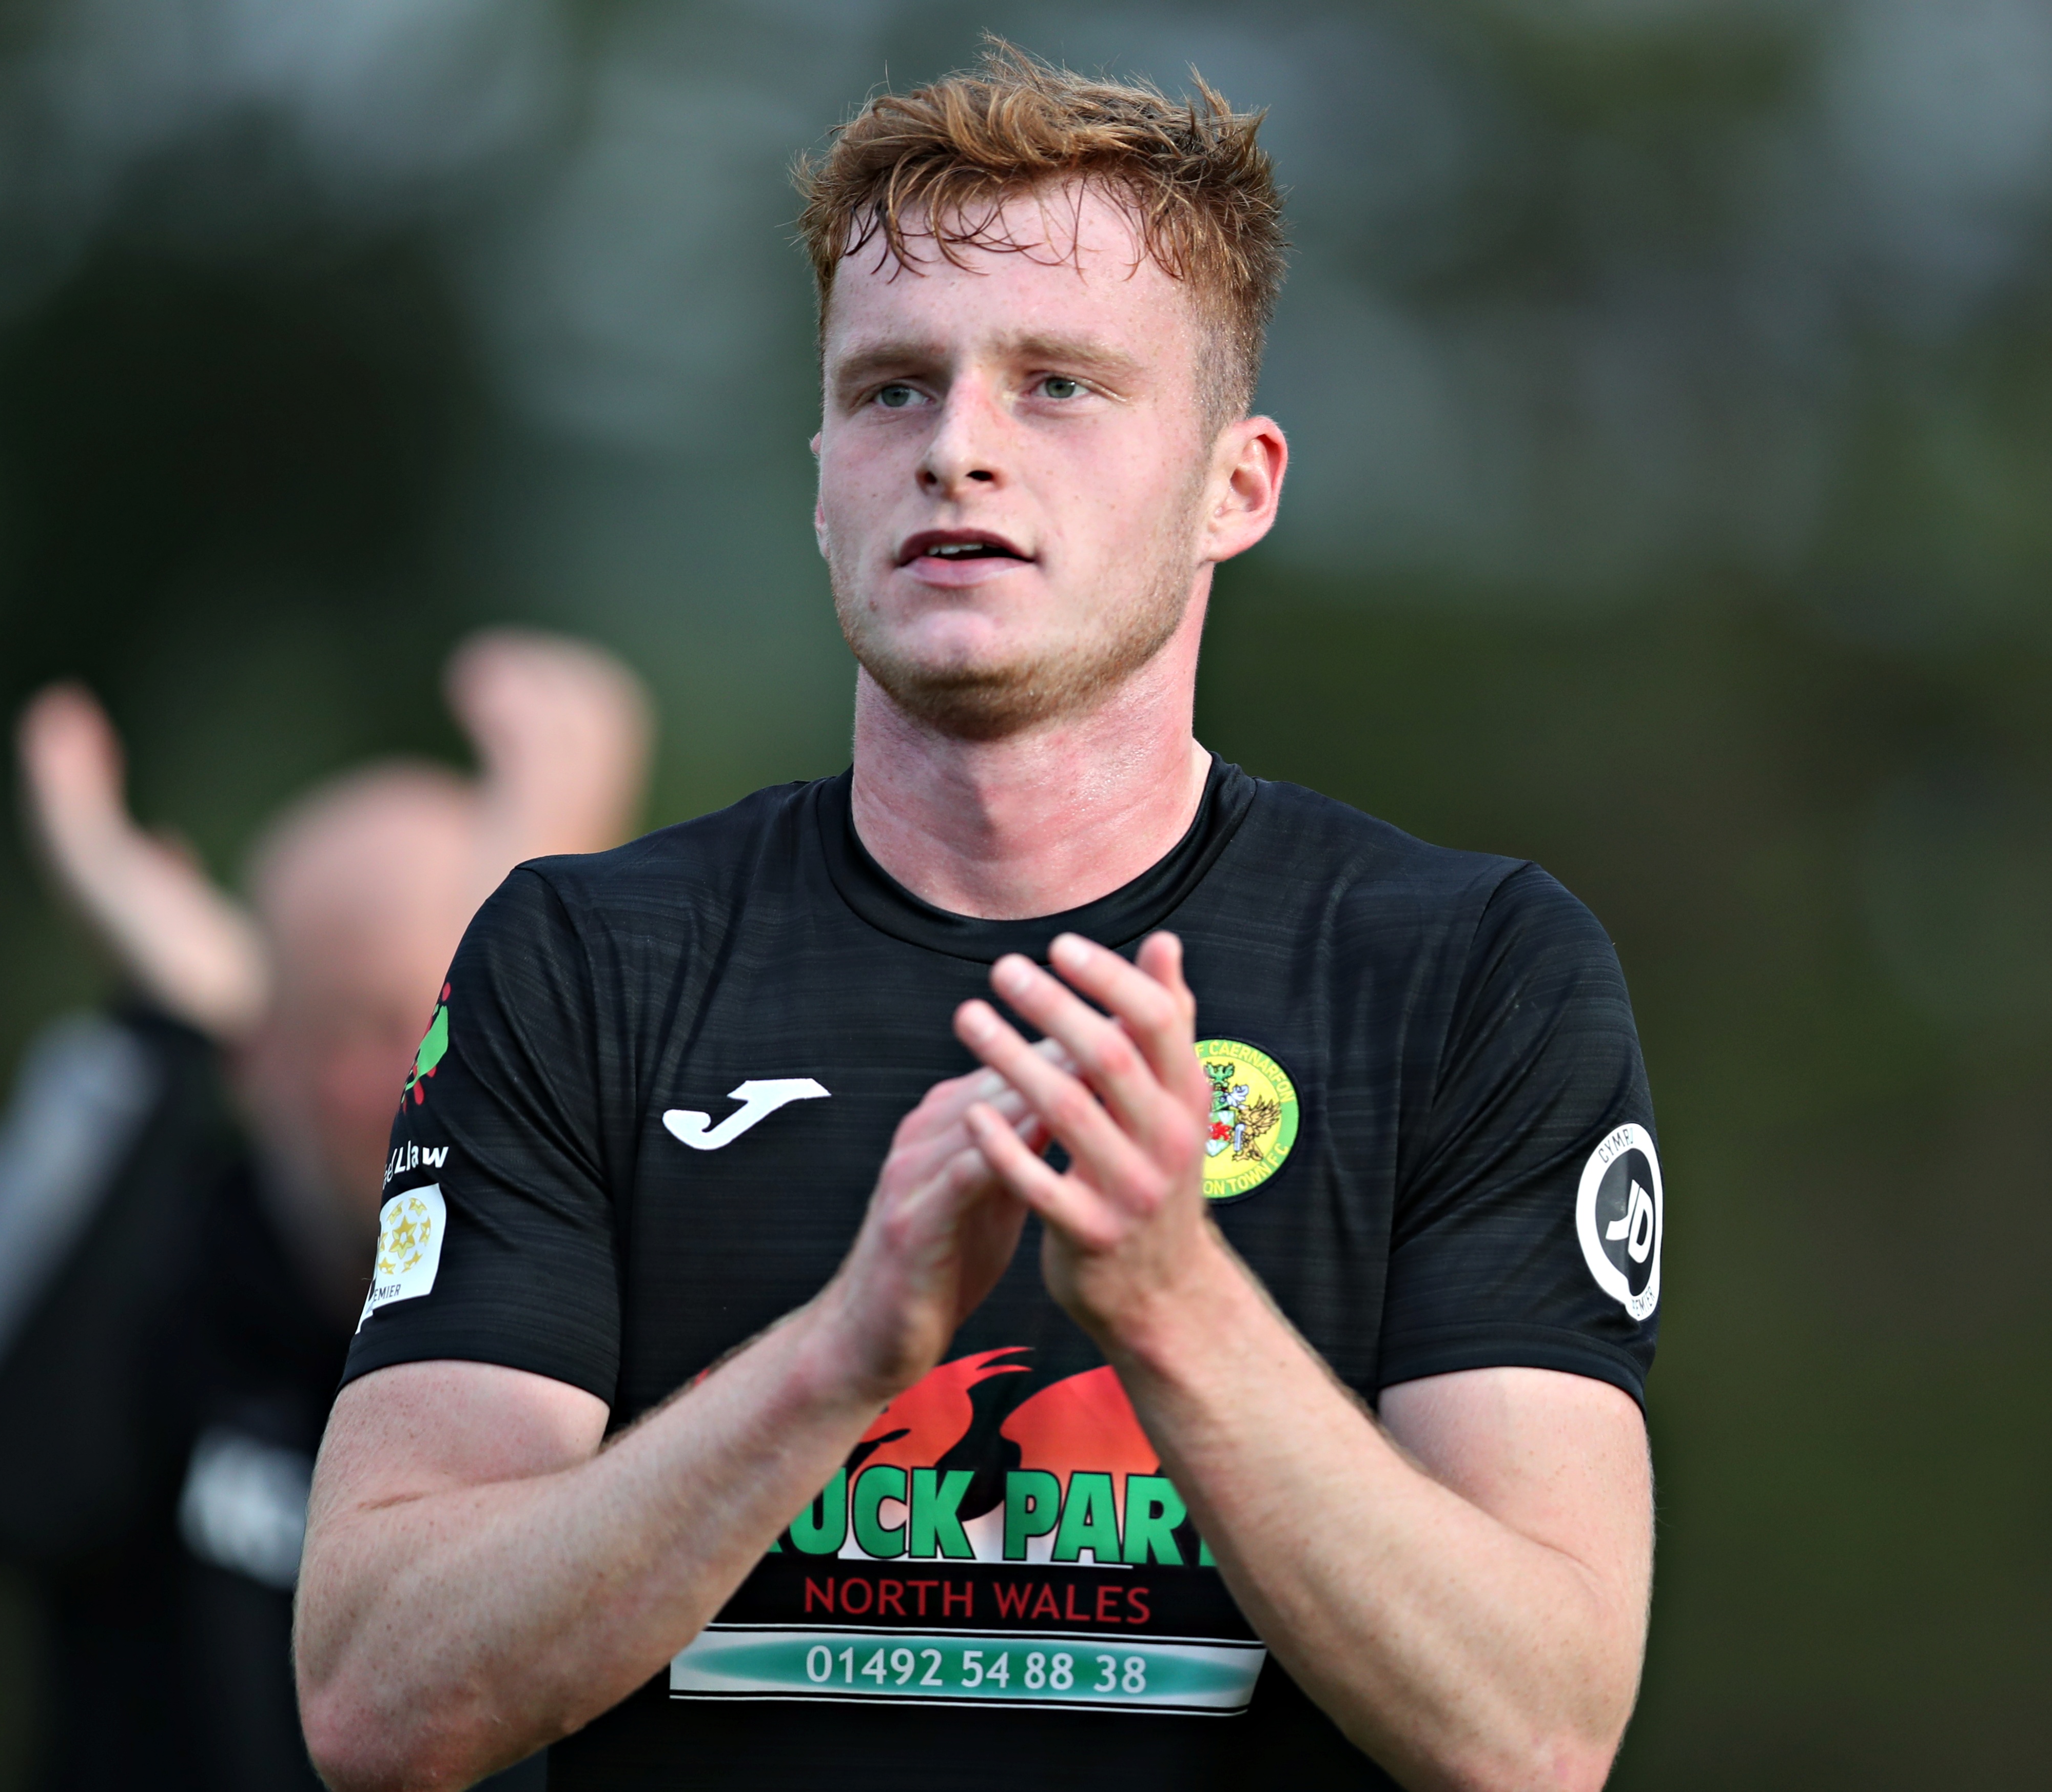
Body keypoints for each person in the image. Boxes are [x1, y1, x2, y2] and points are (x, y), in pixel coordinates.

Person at [296, 45, 1660, 1792]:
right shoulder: (581, 963)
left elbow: (1533, 1732)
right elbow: (371, 1697)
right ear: (816, 482)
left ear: (1232, 487)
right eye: (887, 390)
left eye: (1057, 385)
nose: (955, 448)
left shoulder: (1465, 974)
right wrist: (841, 1358)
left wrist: (1172, 1305)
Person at [0, 631, 651, 1792]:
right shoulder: (166, 1280)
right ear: (258, 1057)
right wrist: (159, 1038)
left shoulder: (628, 1306)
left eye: (466, 1016)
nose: (430, 1082)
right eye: (371, 1027)